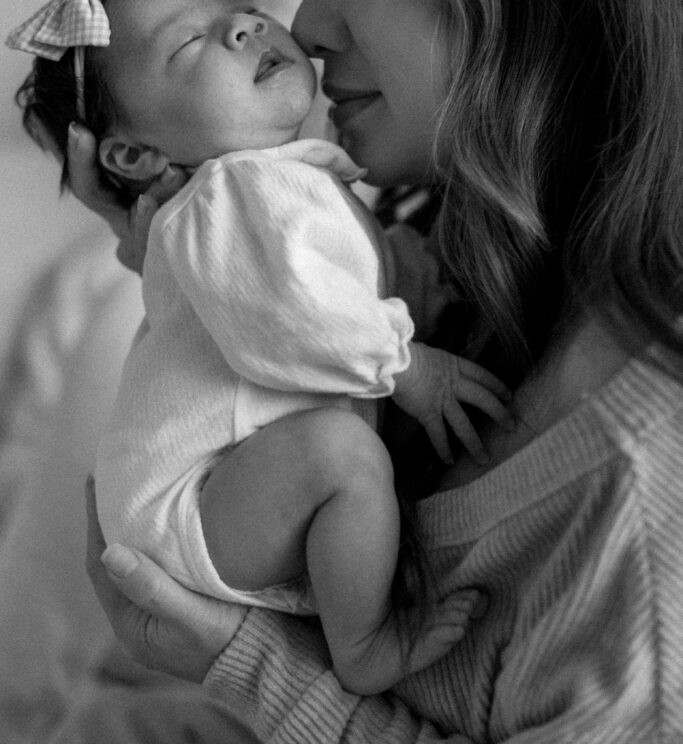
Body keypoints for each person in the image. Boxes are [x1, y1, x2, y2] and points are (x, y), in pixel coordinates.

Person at [1, 0, 683, 744]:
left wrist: (274, 679)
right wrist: (173, 245)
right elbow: (276, 310)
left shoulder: (632, 482)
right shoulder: (459, 226)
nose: (302, 23)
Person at [8, 0, 510, 694]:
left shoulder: (277, 186)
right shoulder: (229, 193)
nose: (243, 28)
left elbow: (333, 282)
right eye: (188, 45)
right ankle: (363, 645)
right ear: (128, 155)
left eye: (240, 11)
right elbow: (292, 317)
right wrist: (406, 363)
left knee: (340, 456)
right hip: (191, 496)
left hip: (226, 485)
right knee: (340, 455)